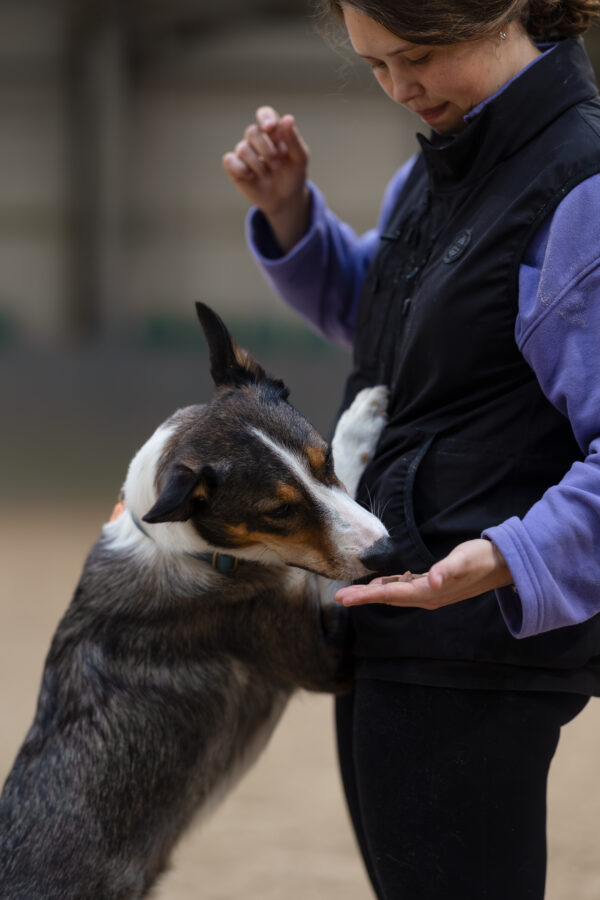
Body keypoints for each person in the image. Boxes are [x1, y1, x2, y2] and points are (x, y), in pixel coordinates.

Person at [222, 1, 600, 897]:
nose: (400, 88)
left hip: (472, 639)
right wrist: (289, 218)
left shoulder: (579, 188)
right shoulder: (444, 162)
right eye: (377, 65)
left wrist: (507, 557)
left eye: (418, 55)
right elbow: (395, 329)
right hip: (392, 612)